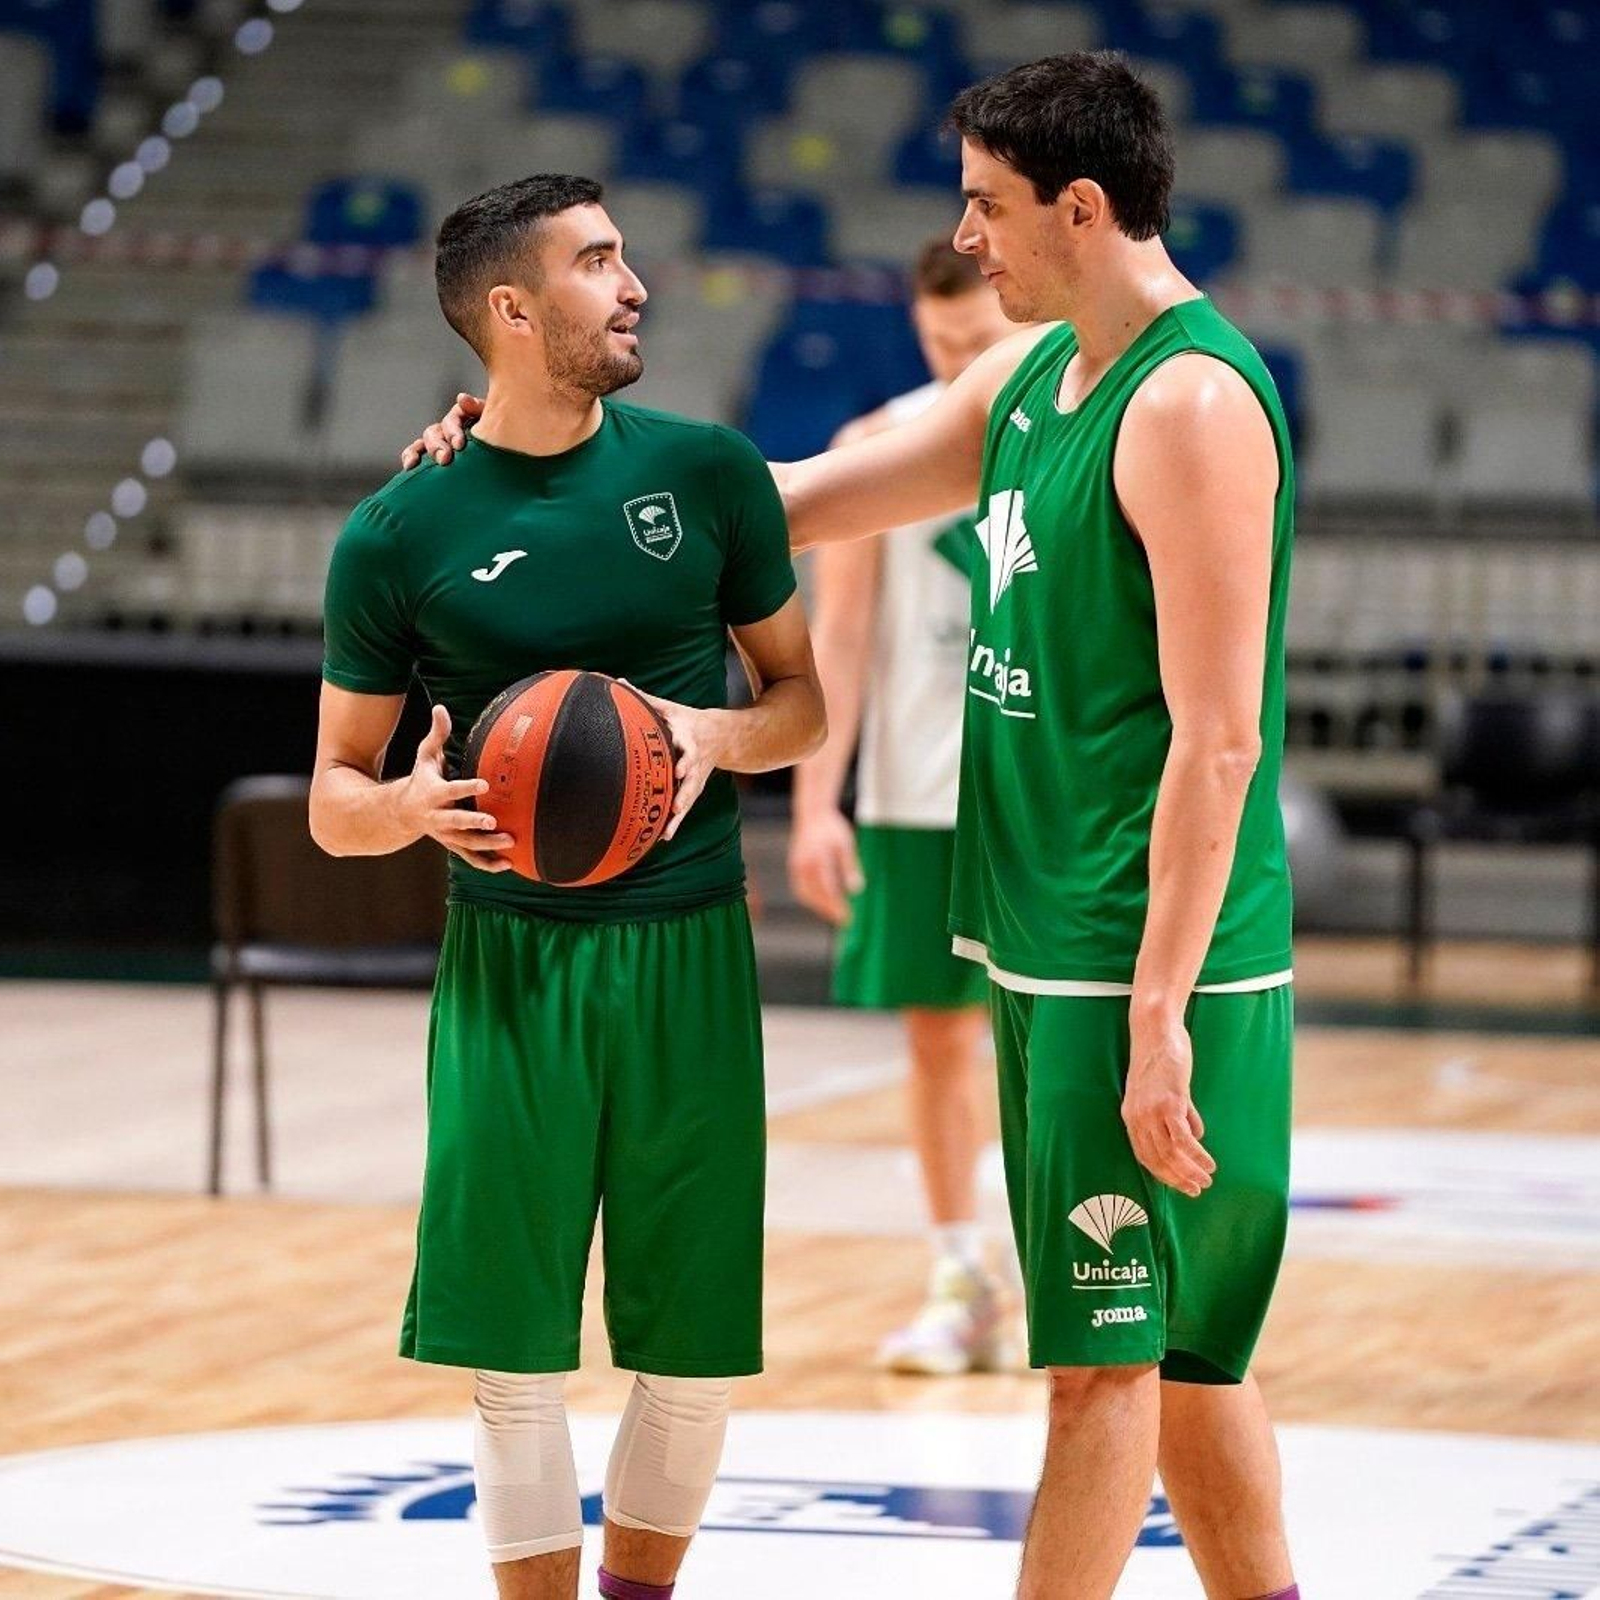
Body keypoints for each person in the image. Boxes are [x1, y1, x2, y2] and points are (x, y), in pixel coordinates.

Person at [407, 52, 1299, 1600]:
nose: (966, 240)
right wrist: (524, 463)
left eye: (988, 206)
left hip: (1142, 971)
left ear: (1081, 209)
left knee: (1097, 1378)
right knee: (1194, 1370)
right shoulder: (1034, 379)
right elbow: (792, 496)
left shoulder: (1193, 403)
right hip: (1056, 948)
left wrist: (1158, 1011)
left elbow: (1220, 748)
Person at [313, 173, 825, 1600]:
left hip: (690, 956)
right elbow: (332, 803)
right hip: (511, 962)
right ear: (514, 309)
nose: (636, 283)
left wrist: (700, 736)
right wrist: (411, 807)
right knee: (513, 1360)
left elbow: (801, 705)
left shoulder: (710, 474)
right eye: (600, 261)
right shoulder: (397, 534)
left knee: (698, 1354)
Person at [786, 237, 1026, 1376]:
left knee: (1065, 1043)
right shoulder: (875, 447)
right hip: (918, 792)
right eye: (939, 343)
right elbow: (834, 638)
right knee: (935, 1044)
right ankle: (960, 1274)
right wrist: (814, 804)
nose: (958, 357)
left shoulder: (1076, 423)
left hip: (1044, 793)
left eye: (976, 340)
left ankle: (1094, 1269)